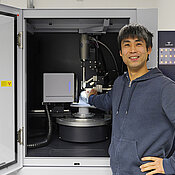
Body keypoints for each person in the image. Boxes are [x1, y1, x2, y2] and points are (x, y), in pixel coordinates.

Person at [85, 24, 175, 175]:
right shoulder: (120, 83)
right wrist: (91, 97)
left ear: (149, 49)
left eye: (138, 44)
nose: (133, 50)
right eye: (127, 45)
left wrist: (169, 165)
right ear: (120, 52)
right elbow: (107, 101)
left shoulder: (165, 88)